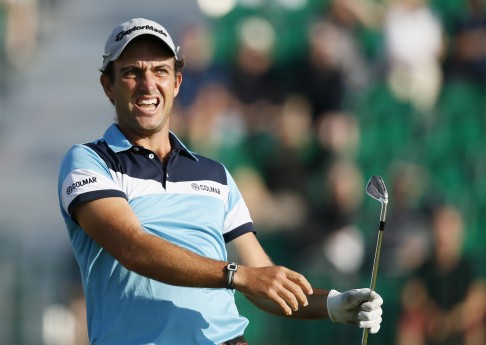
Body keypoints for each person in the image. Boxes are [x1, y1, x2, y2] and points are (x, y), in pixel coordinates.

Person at [57, 18, 384, 345]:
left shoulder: (214, 175)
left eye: (160, 71)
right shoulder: (89, 162)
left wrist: (333, 304)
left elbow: (263, 282)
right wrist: (237, 275)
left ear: (177, 83)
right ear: (108, 86)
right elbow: (133, 248)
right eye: (132, 72)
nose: (148, 84)